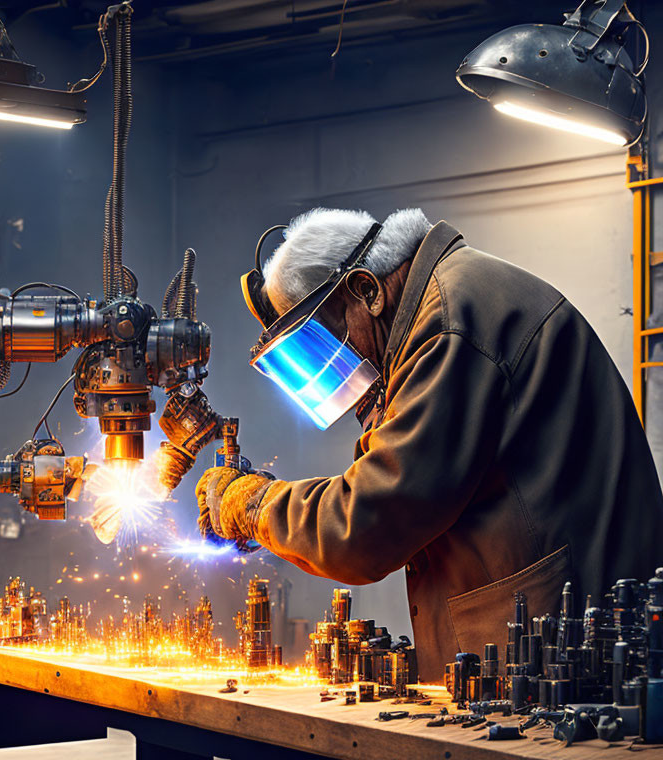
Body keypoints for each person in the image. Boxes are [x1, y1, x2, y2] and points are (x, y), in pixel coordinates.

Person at [196, 208, 663, 679]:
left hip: (569, 656)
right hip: (552, 645)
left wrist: (255, 506)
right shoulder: (444, 306)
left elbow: (367, 523)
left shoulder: (450, 325)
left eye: (327, 338)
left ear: (367, 290)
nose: (335, 362)